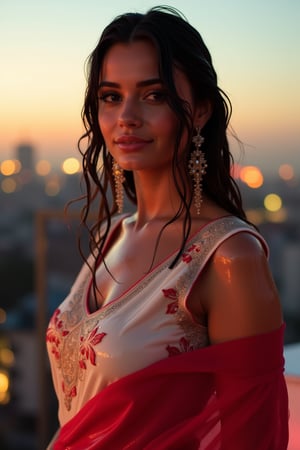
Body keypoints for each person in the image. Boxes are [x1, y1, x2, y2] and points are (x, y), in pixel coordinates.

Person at [46, 6, 289, 449]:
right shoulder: (112, 234)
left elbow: (253, 434)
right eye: (111, 96)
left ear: (198, 111)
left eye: (153, 95)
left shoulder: (229, 257)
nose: (127, 117)